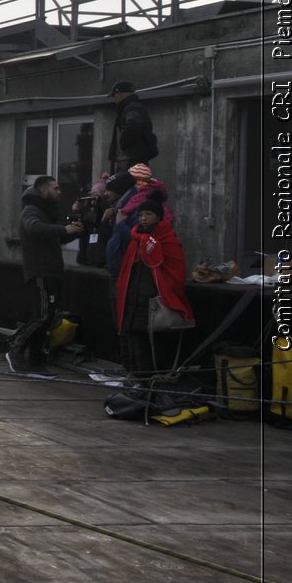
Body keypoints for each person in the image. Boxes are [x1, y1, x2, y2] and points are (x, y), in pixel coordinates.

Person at [5, 175, 84, 373]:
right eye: (55, 188)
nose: (60, 192)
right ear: (43, 190)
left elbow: (53, 238)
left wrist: (74, 231)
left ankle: (36, 361)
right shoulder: (31, 210)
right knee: (40, 316)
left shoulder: (47, 213)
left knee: (48, 319)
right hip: (39, 270)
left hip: (53, 271)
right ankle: (15, 346)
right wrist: (64, 229)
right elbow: (34, 229)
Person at [113, 192, 192, 375]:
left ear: (158, 216)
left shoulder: (167, 240)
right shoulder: (137, 239)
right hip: (134, 301)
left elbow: (175, 272)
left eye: (148, 214)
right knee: (135, 343)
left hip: (154, 302)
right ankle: (138, 379)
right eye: (140, 215)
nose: (144, 218)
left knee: (154, 347)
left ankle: (151, 382)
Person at [105, 164, 175, 279]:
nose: (105, 193)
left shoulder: (138, 206)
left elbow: (139, 237)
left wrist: (120, 224)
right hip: (125, 267)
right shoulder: (125, 207)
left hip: (134, 269)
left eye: (109, 190)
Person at [106, 80, 158, 177]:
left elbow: (134, 124)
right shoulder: (133, 108)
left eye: (114, 96)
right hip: (131, 162)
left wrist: (123, 143)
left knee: (125, 190)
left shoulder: (132, 108)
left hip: (128, 162)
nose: (114, 100)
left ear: (119, 95)